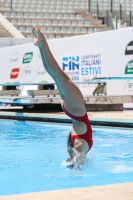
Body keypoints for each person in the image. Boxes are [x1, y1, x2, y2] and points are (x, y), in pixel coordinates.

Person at [32, 26, 93, 168]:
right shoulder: (77, 148)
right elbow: (77, 160)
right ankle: (41, 45)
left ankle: (42, 43)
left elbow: (76, 160)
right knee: (55, 74)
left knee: (58, 74)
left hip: (76, 110)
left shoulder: (80, 149)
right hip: (72, 110)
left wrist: (76, 166)